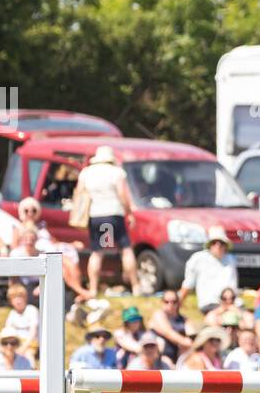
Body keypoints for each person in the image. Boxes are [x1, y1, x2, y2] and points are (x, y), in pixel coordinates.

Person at [76, 145, 140, 295]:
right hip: (113, 214)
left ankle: (92, 288)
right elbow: (122, 194)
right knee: (126, 249)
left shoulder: (86, 173)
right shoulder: (116, 172)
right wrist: (129, 212)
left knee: (97, 251)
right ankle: (136, 286)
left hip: (95, 215)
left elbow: (79, 193)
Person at [17, 197, 90, 301]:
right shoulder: (19, 227)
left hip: (52, 252)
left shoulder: (41, 226)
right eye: (26, 210)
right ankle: (81, 292)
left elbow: (53, 241)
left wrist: (72, 244)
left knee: (69, 265)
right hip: (39, 255)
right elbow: (15, 247)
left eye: (33, 210)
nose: (30, 213)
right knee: (64, 267)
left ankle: (78, 293)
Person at [180, 227, 239, 314]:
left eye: (221, 243)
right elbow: (188, 283)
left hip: (231, 303)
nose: (218, 246)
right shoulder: (198, 258)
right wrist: (178, 302)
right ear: (209, 245)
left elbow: (233, 286)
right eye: (214, 242)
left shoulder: (231, 259)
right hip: (210, 304)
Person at [149, 290, 194, 364]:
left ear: (178, 303)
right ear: (162, 302)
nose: (170, 304)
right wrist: (188, 343)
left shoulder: (184, 319)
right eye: (166, 301)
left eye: (174, 302)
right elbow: (168, 333)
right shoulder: (158, 315)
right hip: (162, 358)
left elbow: (192, 334)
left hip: (181, 357)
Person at [2, 284, 40, 358]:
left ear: (25, 298)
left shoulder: (31, 310)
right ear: (10, 301)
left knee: (28, 354)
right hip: (15, 343)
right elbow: (7, 331)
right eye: (14, 298)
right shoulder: (12, 314)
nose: (18, 301)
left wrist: (23, 348)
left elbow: (33, 334)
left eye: (20, 297)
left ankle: (31, 368)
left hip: (31, 343)